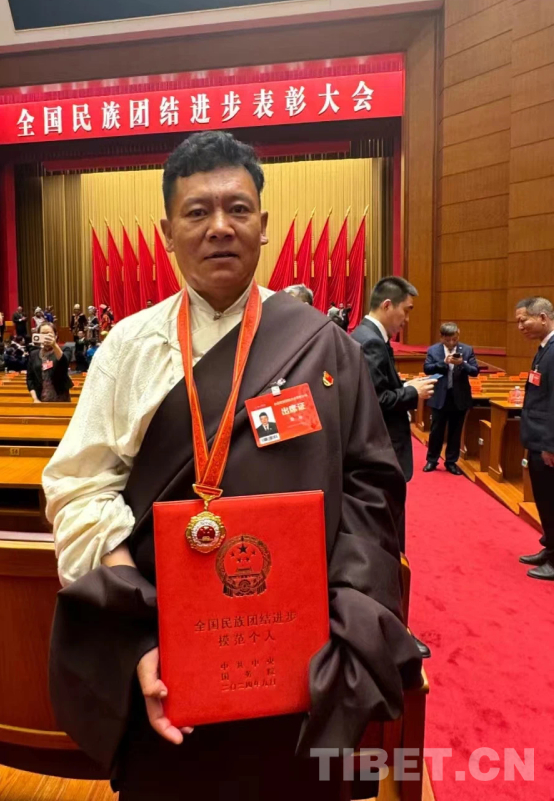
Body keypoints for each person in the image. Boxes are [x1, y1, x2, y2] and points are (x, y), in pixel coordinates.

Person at [44, 131, 420, 800]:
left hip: (305, 651)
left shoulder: (324, 347)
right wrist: (136, 629)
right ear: (167, 232)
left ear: (263, 224)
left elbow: (371, 490)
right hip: (166, 648)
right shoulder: (128, 348)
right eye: (197, 211)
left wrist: (345, 622)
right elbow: (79, 487)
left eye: (237, 209)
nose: (219, 226)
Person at [351, 276, 436, 658]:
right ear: (388, 305)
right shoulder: (369, 340)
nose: (407, 318)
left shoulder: (370, 337)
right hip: (380, 455)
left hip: (379, 453)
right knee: (388, 545)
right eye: (406, 309)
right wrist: (411, 392)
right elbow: (376, 400)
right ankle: (392, 628)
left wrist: (404, 385)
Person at [515, 297, 554, 581]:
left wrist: (551, 445)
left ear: (542, 317)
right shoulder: (544, 349)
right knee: (544, 499)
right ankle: (550, 547)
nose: (520, 326)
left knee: (551, 500)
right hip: (538, 438)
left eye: (523, 320)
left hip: (547, 443)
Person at [423, 323, 479, 475]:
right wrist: (443, 363)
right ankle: (432, 460)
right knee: (436, 431)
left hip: (459, 397)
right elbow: (427, 369)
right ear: (441, 337)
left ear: (458, 335)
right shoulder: (433, 350)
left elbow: (475, 371)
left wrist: (463, 364)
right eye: (448, 340)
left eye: (454, 339)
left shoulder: (467, 350)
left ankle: (451, 462)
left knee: (455, 431)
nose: (451, 343)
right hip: (439, 396)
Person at [26, 321, 73, 403]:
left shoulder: (65, 350)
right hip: (40, 399)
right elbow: (30, 379)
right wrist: (35, 399)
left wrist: (54, 345)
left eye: (49, 334)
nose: (46, 336)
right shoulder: (33, 354)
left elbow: (64, 364)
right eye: (43, 334)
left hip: (61, 399)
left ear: (56, 335)